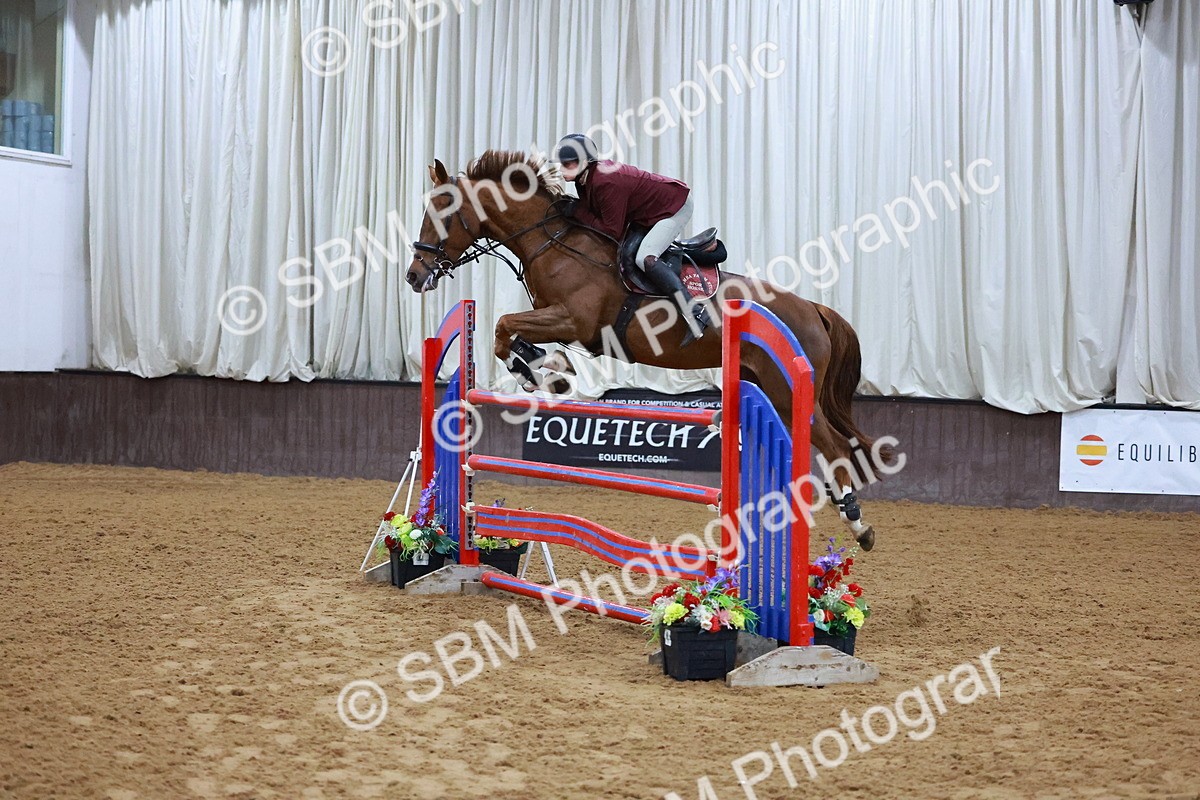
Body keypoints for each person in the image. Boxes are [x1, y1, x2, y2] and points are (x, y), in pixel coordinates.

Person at [555, 133, 713, 343]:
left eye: (568, 163)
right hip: (647, 211)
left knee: (645, 257)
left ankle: (695, 312)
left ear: (585, 162)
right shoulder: (584, 180)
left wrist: (577, 211)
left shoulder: (604, 180)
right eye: (562, 164)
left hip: (674, 206)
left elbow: (612, 232)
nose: (562, 168)